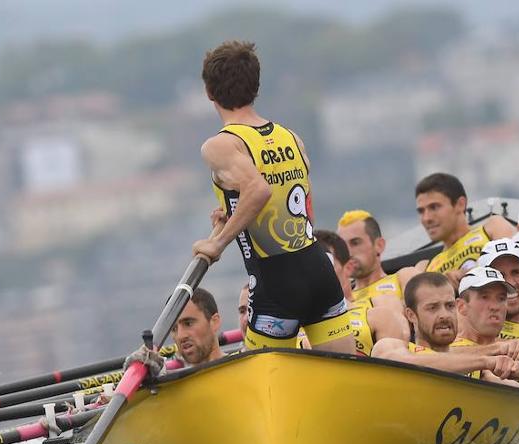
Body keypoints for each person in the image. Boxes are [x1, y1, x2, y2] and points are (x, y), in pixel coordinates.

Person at [193, 40, 355, 353]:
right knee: (350, 377)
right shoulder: (290, 137)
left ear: (209, 93)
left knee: (261, 390)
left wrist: (217, 242)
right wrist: (229, 218)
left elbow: (258, 190)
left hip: (276, 281)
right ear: (255, 87)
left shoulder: (221, 144)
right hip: (317, 267)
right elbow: (298, 206)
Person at [372, 272, 519, 378]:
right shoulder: (390, 346)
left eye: (449, 306)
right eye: (432, 307)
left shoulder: (475, 368)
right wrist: (486, 359)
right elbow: (403, 362)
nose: (444, 315)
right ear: (411, 315)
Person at [314, 230, 408, 356]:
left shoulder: (380, 305)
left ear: (348, 268)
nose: (316, 273)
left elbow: (401, 349)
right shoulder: (290, 322)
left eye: (325, 264)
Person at [414, 172, 515, 279]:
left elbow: (518, 265)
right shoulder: (426, 268)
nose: (426, 218)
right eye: (421, 211)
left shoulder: (492, 228)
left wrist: (466, 275)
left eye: (434, 207)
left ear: (460, 204)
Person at [171, 288, 225, 366]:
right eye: (174, 329)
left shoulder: (244, 369)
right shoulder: (171, 377)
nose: (180, 336)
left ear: (214, 322)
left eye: (188, 323)